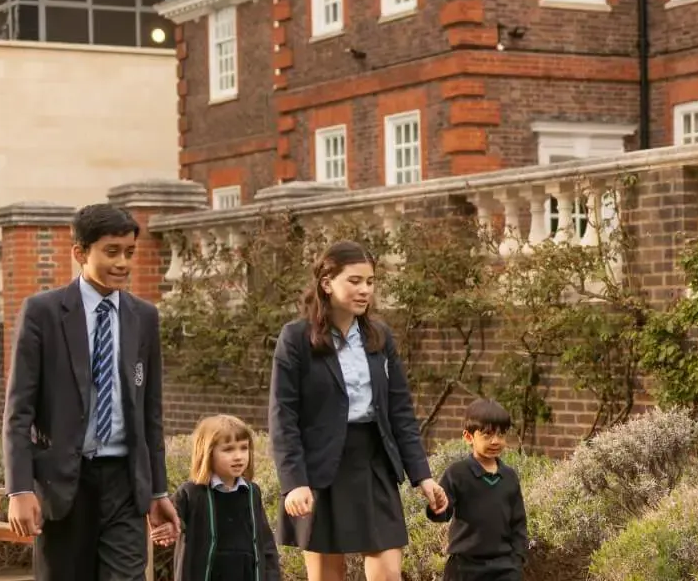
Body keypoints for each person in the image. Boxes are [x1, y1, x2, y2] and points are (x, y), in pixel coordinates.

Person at [3, 204, 180, 581]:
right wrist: (19, 490)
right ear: (80, 253)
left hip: (125, 483)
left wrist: (158, 490)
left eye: (129, 252)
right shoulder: (42, 313)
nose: (123, 263)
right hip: (64, 485)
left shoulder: (143, 317)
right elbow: (19, 413)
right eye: (111, 252)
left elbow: (151, 414)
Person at [270, 240, 449, 581]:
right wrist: (294, 483)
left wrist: (423, 477)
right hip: (320, 470)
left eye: (370, 281)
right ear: (327, 283)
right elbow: (283, 417)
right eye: (354, 281)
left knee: (388, 573)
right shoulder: (295, 339)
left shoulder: (379, 336)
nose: (365, 289)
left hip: (373, 462)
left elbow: (400, 412)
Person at [156, 415, 282, 581]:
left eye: (243, 448)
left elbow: (266, 544)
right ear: (207, 453)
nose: (238, 456)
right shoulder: (191, 493)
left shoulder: (252, 493)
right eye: (228, 449)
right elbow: (170, 520)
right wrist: (169, 527)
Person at [425, 399, 528, 581]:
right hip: (464, 568)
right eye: (487, 435)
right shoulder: (457, 473)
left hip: (504, 568)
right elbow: (443, 513)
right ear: (468, 437)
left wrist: (517, 559)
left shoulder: (509, 477)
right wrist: (437, 506)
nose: (495, 441)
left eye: (501, 434)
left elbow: (518, 523)